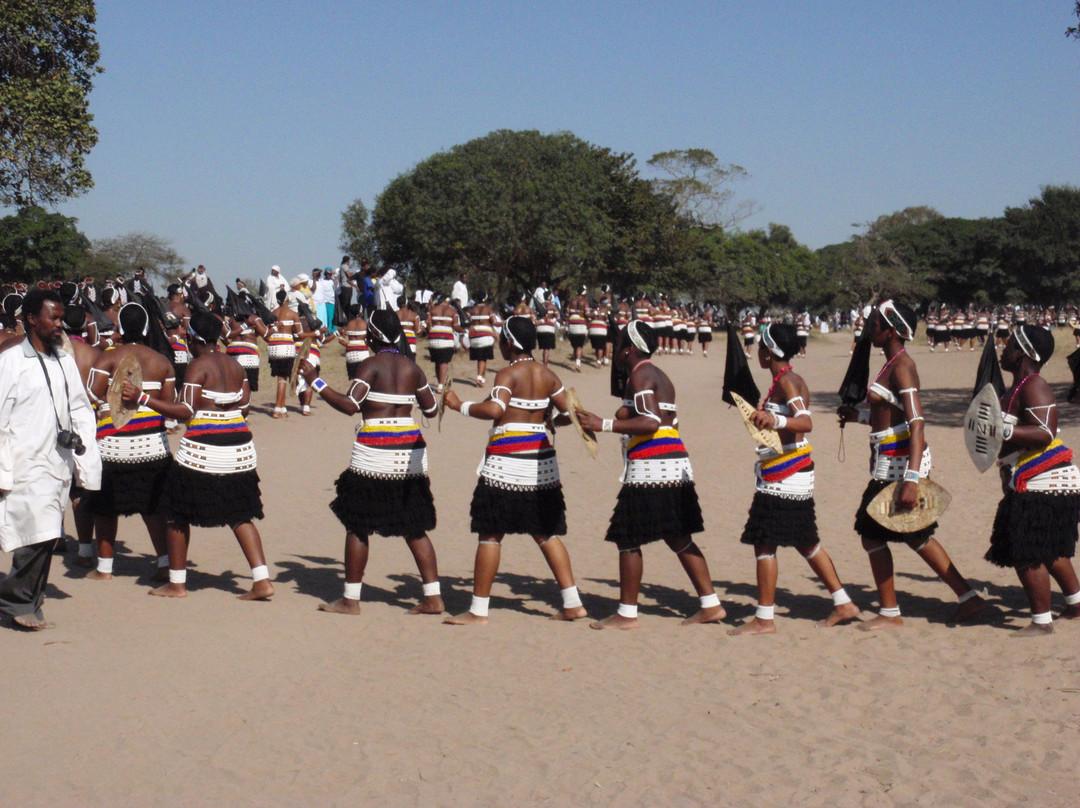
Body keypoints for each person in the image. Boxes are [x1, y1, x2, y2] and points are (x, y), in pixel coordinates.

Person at [837, 300, 985, 629]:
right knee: (912, 534)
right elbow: (889, 418)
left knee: (874, 535)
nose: (869, 327)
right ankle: (968, 598)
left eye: (874, 322)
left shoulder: (902, 366)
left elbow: (917, 422)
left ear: (890, 330)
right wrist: (858, 415)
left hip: (900, 466)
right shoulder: (890, 364)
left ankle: (891, 613)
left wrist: (912, 479)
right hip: (890, 461)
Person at [576, 321, 725, 629]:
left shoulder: (640, 376)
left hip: (652, 465)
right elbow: (664, 418)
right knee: (678, 535)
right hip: (673, 460)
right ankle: (711, 605)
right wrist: (620, 414)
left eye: (618, 344)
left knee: (627, 537)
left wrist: (604, 424)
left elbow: (651, 423)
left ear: (629, 349)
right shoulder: (658, 374)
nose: (615, 349)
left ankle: (627, 614)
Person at [443, 316, 587, 625]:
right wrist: (547, 422)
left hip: (507, 459)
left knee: (491, 533)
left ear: (508, 343)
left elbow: (495, 410)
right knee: (545, 531)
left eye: (501, 341)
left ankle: (478, 610)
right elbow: (571, 413)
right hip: (541, 458)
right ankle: (573, 603)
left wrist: (459, 405)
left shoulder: (508, 374)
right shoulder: (548, 375)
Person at [299, 310, 443, 615]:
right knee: (414, 526)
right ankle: (433, 597)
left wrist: (316, 382)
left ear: (372, 337)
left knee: (357, 523)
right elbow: (431, 412)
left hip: (374, 452)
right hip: (410, 453)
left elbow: (351, 406)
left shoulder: (370, 365)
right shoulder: (412, 368)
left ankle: (351, 600)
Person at [125, 311, 274, 600]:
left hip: (203, 449)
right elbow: (243, 407)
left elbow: (186, 411)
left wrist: (143, 398)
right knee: (240, 514)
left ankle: (177, 584)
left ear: (192, 337)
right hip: (240, 446)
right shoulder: (235, 365)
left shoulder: (198, 366)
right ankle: (261, 580)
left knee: (176, 513)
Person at [728, 324, 859, 635]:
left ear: (768, 351)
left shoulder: (788, 381)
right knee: (805, 541)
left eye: (761, 346)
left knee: (764, 542)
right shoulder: (783, 381)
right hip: (786, 471)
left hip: (787, 473)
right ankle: (843, 602)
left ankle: (764, 619)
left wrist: (775, 419)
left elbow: (806, 422)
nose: (758, 351)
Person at [0, 289, 101, 629]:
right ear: (32, 319)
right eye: (53, 318)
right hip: (23, 464)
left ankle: (27, 600)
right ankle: (17, 601)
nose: (60, 325)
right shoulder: (10, 362)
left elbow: (80, 409)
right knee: (36, 535)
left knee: (45, 535)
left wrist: (87, 460)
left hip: (58, 464)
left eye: (61, 318)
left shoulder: (65, 361)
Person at [987, 326, 1080, 635]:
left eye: (1010, 344)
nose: (1004, 348)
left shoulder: (1034, 385)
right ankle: (1076, 604)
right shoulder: (1019, 386)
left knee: (1025, 549)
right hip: (1041, 477)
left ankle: (1042, 621)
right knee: (1049, 548)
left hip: (1043, 476)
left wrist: (1003, 431)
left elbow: (1045, 432)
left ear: (1024, 353)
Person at [83, 303, 174, 581]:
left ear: (119, 328)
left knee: (106, 507)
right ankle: (164, 564)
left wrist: (112, 404)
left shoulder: (108, 359)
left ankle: (105, 569)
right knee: (154, 508)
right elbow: (169, 406)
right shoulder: (161, 362)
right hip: (153, 446)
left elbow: (91, 395)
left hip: (112, 445)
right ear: (146, 328)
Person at [425, 294, 459, 392]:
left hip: (433, 337)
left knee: (437, 362)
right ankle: (440, 385)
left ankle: (440, 383)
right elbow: (456, 326)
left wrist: (429, 331)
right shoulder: (452, 311)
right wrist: (464, 330)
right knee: (444, 363)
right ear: (447, 301)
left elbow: (428, 322)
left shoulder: (432, 310)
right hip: (446, 338)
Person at [467, 292, 498, 386]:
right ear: (485, 299)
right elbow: (494, 322)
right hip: (485, 336)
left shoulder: (471, 310)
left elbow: (467, 321)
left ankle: (482, 379)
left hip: (473, 336)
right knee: (483, 358)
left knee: (480, 358)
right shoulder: (488, 309)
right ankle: (479, 377)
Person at [337, 309, 369, 380]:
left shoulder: (349, 324)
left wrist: (349, 345)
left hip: (350, 353)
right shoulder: (365, 324)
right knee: (364, 378)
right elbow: (369, 340)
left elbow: (340, 340)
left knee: (353, 379)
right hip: (363, 353)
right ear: (361, 313)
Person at [565, 286, 589, 370]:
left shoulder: (571, 301)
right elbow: (587, 313)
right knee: (579, 345)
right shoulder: (585, 302)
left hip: (572, 324)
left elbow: (567, 311)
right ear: (583, 293)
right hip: (581, 324)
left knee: (575, 344)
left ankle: (575, 357)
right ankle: (578, 363)